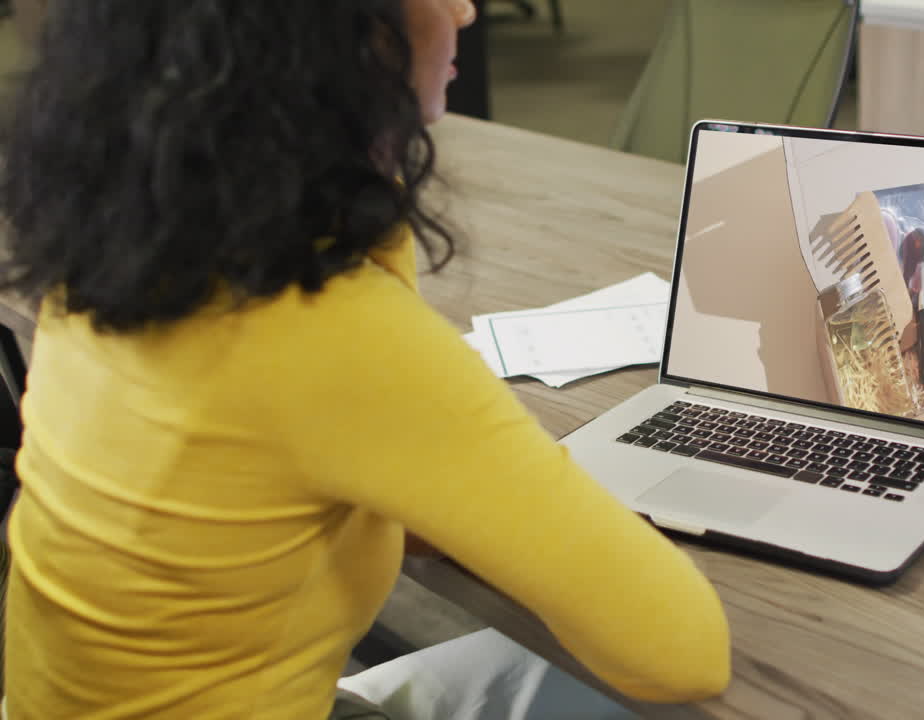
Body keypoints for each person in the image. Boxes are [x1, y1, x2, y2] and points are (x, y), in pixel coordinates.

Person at [0, 1, 731, 718]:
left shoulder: (118, 255)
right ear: (343, 35)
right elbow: (684, 651)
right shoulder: (323, 332)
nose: (467, 13)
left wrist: (368, 167)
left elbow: (391, 501)